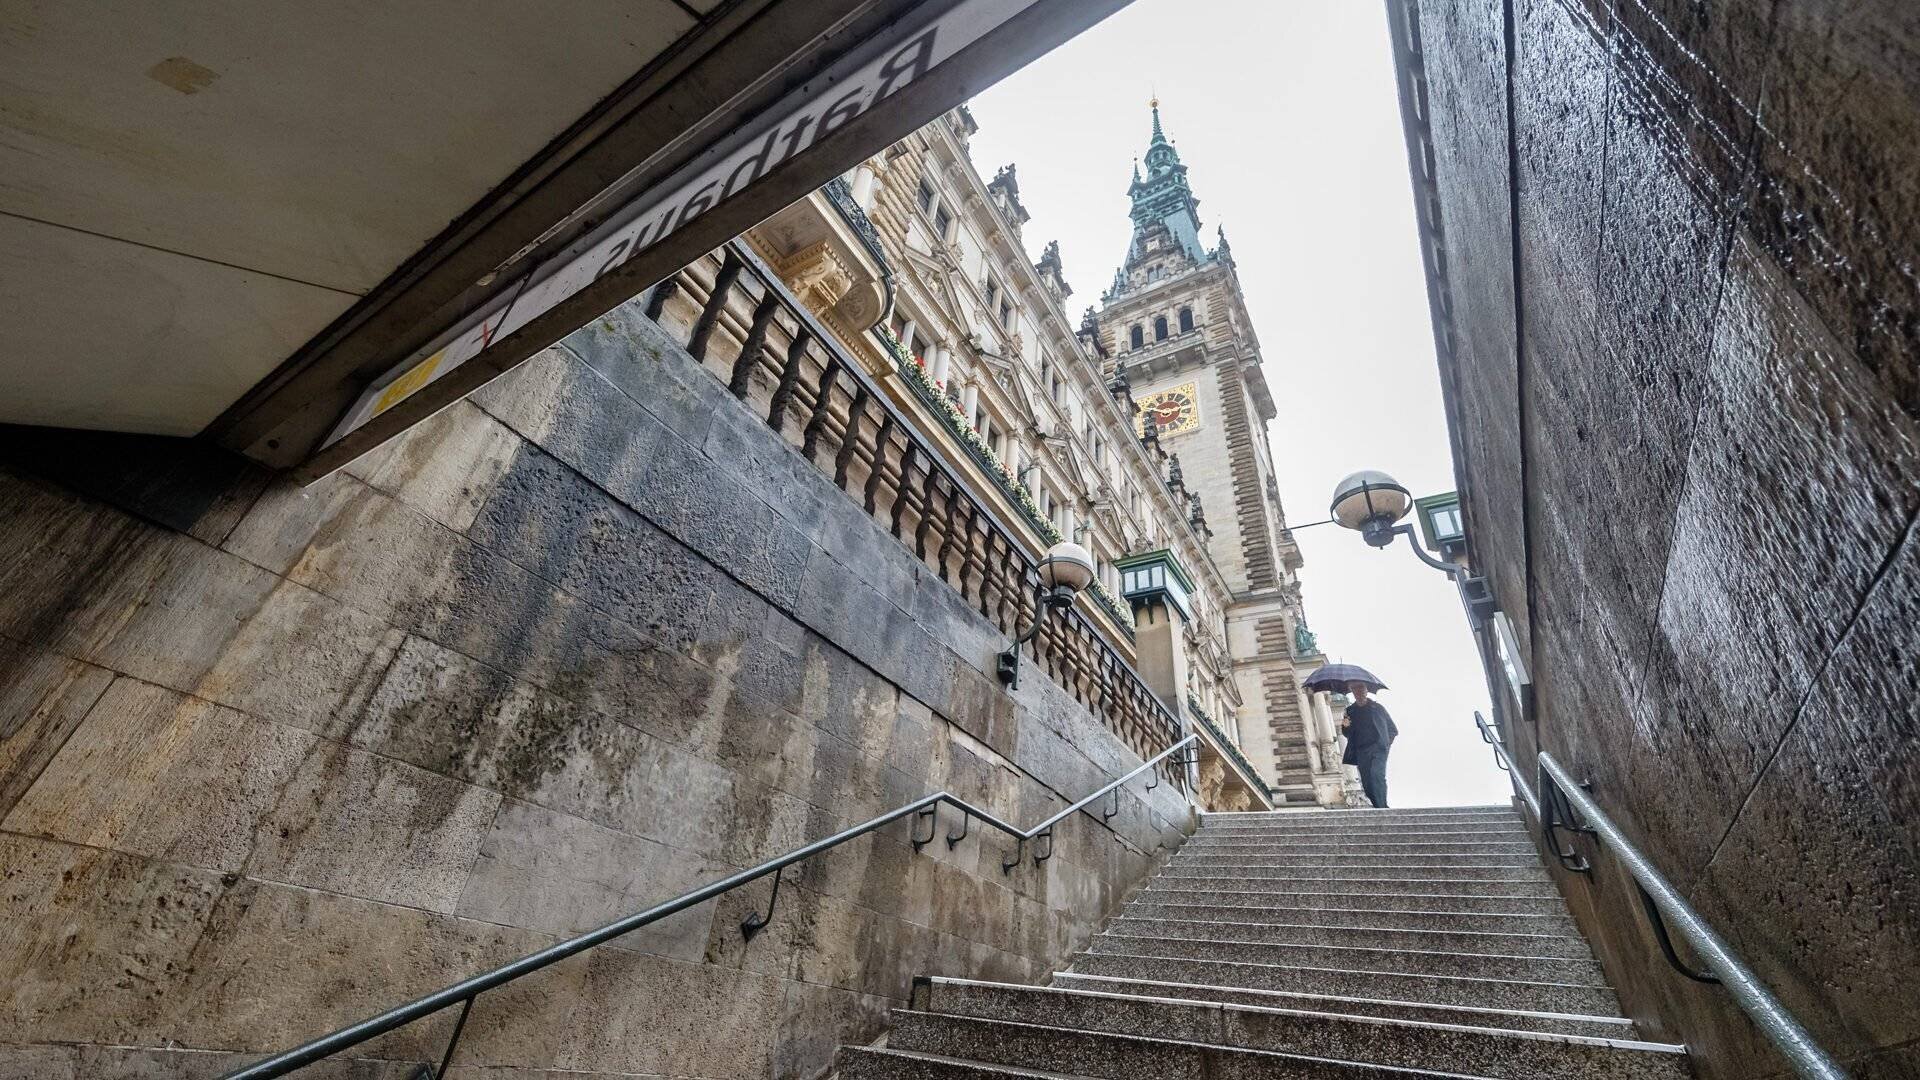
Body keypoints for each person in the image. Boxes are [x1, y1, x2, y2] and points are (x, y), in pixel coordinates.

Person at [1340, 680, 1398, 808]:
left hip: (1378, 749)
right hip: (1361, 751)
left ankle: (1382, 808)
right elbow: (1347, 734)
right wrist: (1346, 727)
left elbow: (1393, 730)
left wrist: (1385, 745)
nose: (1358, 692)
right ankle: (1380, 806)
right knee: (1366, 783)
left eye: (1361, 689)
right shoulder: (1350, 711)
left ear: (1366, 691)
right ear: (1353, 692)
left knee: (1377, 776)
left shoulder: (1378, 708)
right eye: (1355, 689)